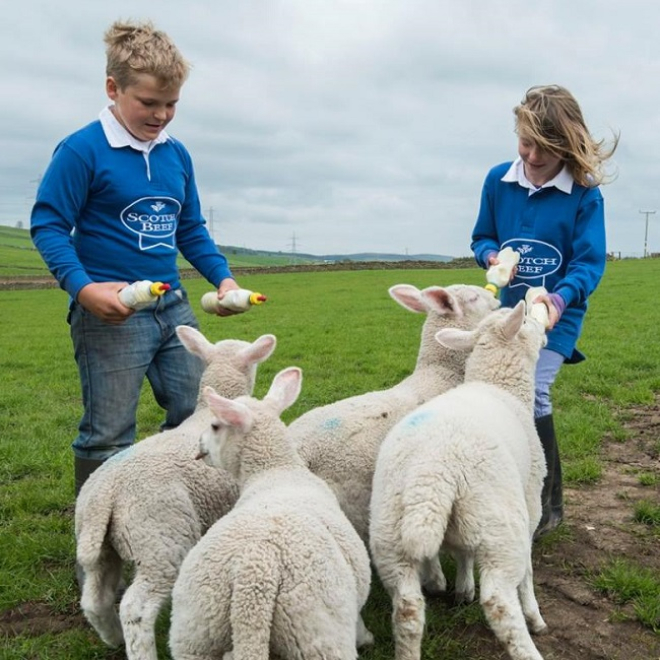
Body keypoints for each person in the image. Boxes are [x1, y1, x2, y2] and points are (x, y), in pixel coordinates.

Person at [31, 20, 242, 496]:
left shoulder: (177, 155)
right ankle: (98, 549)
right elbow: (47, 225)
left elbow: (189, 227)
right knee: (108, 434)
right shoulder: (81, 150)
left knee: (198, 415)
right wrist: (83, 289)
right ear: (113, 88)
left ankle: (178, 502)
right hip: (112, 313)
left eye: (172, 104)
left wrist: (224, 281)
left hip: (173, 306)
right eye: (149, 102)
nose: (162, 114)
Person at [470, 84, 618, 538]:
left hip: (557, 314)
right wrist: (492, 258)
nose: (532, 156)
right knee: (494, 394)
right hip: (506, 312)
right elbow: (481, 238)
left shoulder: (584, 194)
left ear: (567, 146)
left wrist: (559, 298)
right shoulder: (499, 180)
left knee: (531, 392)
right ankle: (499, 487)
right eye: (525, 142)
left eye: (545, 149)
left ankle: (546, 503)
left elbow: (589, 263)